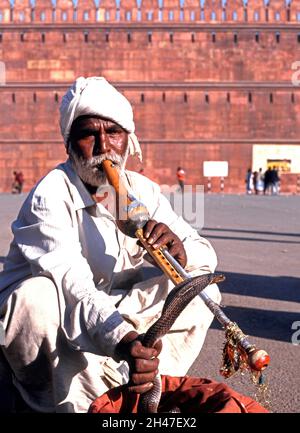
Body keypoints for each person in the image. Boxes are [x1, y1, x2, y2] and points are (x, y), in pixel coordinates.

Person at [0, 77, 221, 413]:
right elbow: (73, 288)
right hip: (60, 319)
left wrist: (181, 249)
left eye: (113, 133)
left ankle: (143, 389)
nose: (104, 146)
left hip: (116, 312)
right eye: (89, 134)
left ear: (128, 141)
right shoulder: (51, 195)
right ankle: (50, 401)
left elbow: (205, 256)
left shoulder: (142, 191)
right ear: (69, 144)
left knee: (201, 290)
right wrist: (121, 340)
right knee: (36, 296)